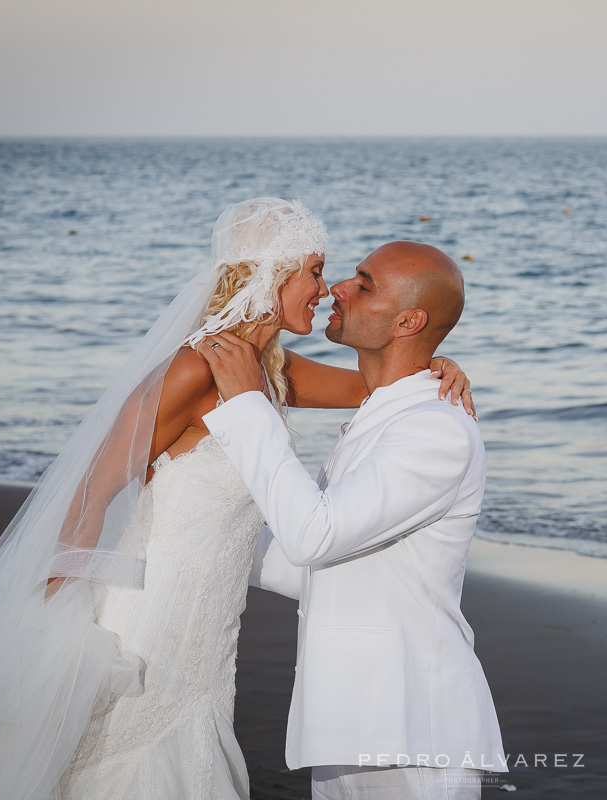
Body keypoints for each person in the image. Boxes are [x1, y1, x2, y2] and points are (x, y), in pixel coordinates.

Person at [0, 200, 474, 800]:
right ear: (268, 275)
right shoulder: (199, 366)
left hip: (208, 628)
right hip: (148, 611)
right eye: (315, 272)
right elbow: (94, 485)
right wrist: (53, 615)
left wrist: (438, 366)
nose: (325, 289)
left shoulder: (269, 369)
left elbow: (377, 387)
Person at [196, 241, 506, 800]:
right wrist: (187, 528)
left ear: (409, 320)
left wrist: (248, 405)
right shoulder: (384, 415)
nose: (337, 287)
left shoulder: (436, 430)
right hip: (350, 723)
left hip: (414, 728)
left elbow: (312, 536)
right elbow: (309, 568)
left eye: (364, 284)